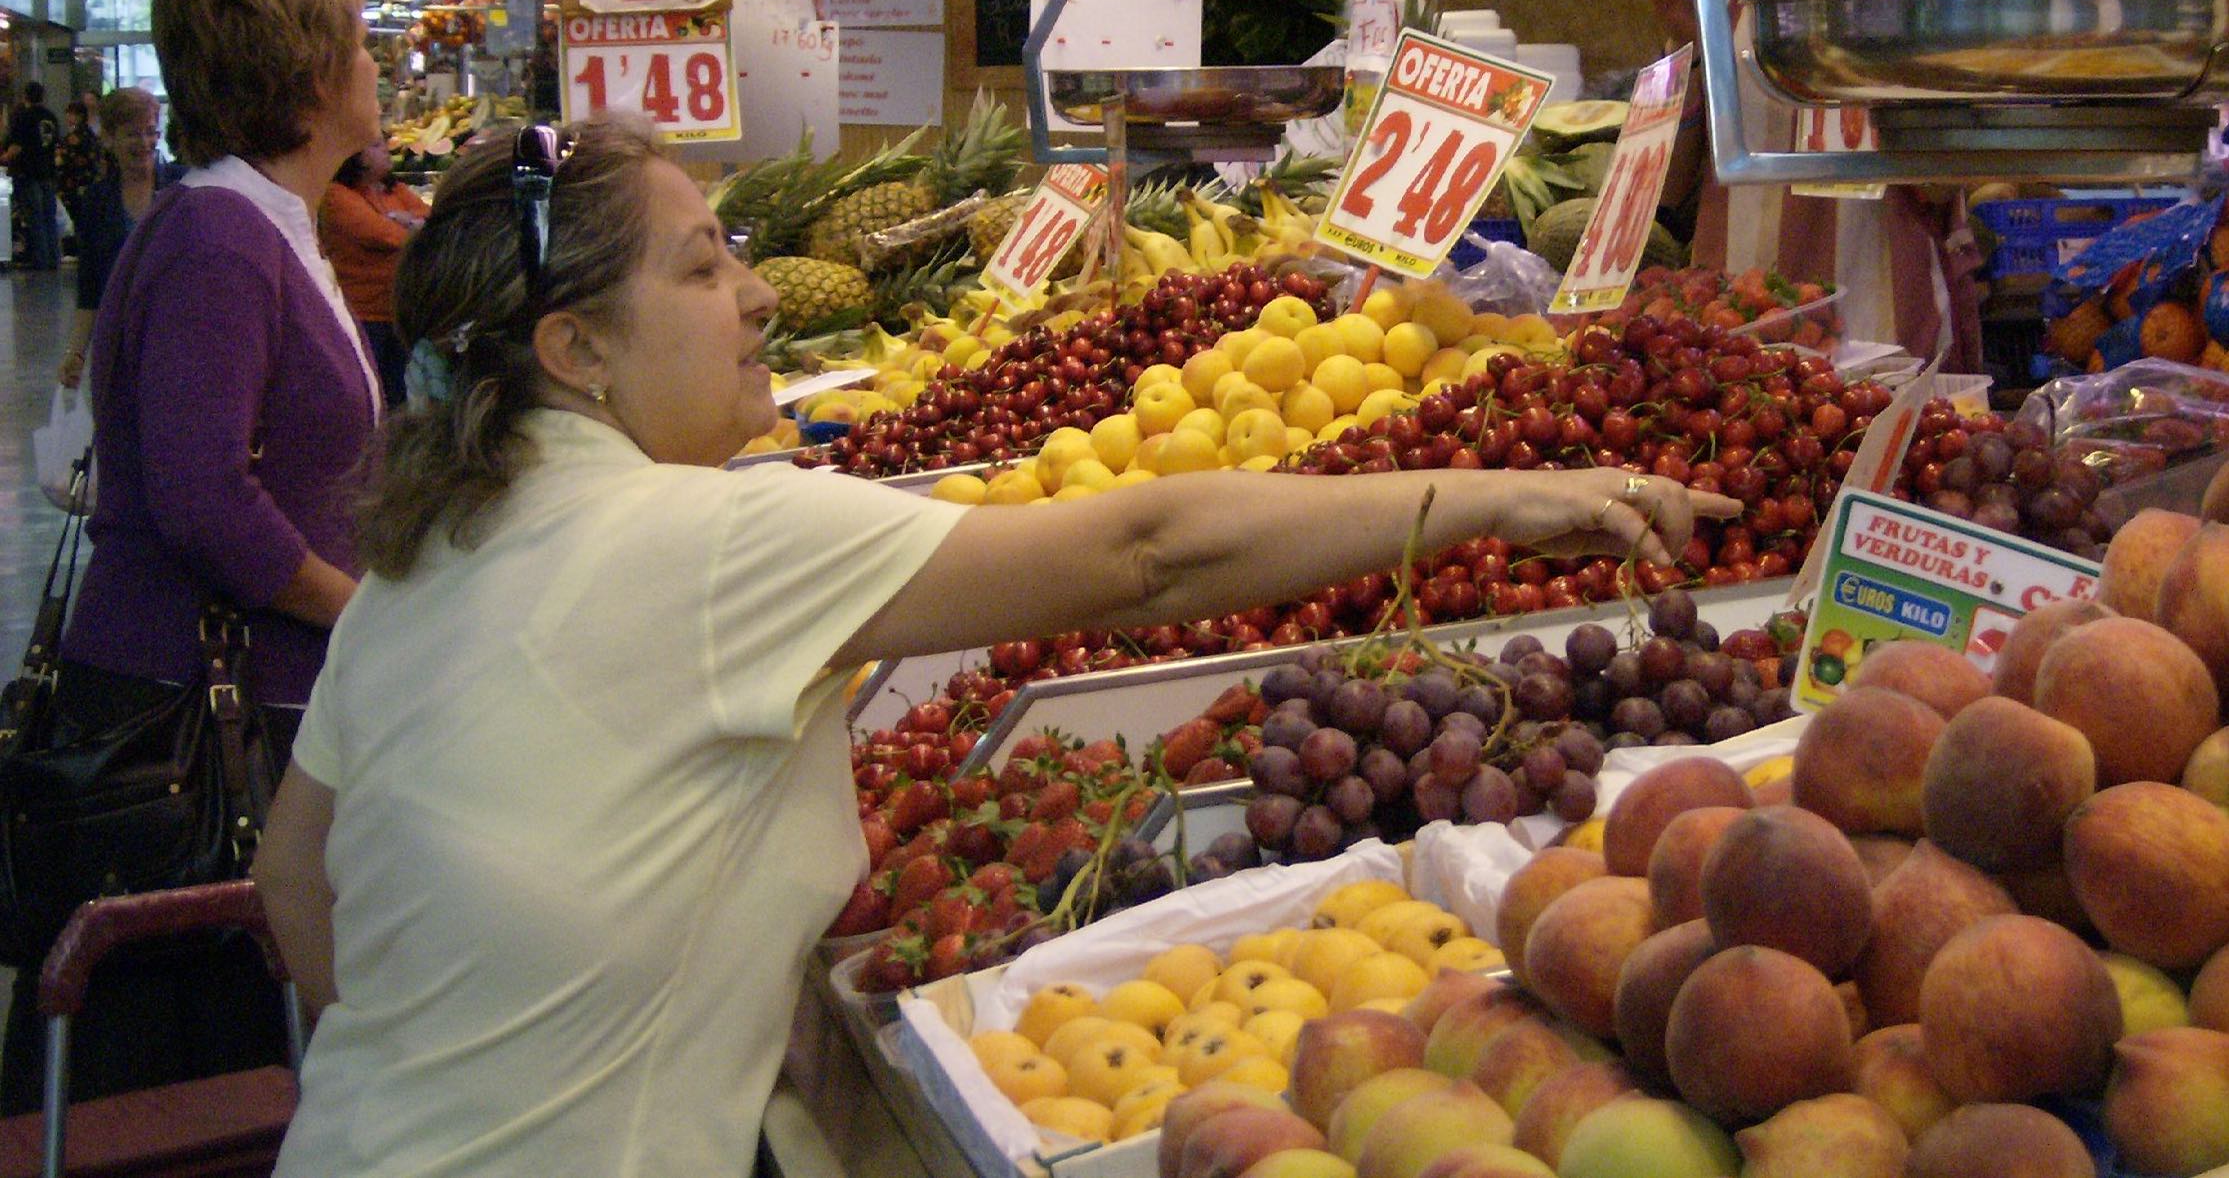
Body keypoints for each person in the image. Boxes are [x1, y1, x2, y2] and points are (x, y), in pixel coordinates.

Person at [251, 116, 1740, 1176]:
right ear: (574, 351)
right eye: (702, 268)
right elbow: (1150, 552)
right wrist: (1517, 497)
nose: (758, 293)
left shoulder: (417, 565)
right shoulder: (702, 546)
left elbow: (293, 893)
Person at [2, 0, 387, 1115]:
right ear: (316, 79)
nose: (379, 69)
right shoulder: (222, 241)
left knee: (215, 1038)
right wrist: (364, 609)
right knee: (187, 1053)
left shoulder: (266, 224)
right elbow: (203, 495)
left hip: (234, 690)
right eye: (364, 45)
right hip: (189, 710)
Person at [1650, 0, 1985, 367]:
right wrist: (1683, 45)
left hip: (1883, 340)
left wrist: (1813, 25)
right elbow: (1671, 191)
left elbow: (1947, 173)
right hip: (1736, 342)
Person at [57, 88, 171, 390]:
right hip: (119, 345)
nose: (145, 143)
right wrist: (77, 353)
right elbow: (91, 285)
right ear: (109, 138)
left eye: (150, 132)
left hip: (175, 338)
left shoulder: (181, 187)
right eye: (133, 134)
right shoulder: (97, 201)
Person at [321, 138, 429, 406]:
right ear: (355, 156)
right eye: (378, 146)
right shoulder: (337, 196)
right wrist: (407, 224)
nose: (388, 151)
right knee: (374, 396)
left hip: (399, 311)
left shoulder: (394, 189)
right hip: (364, 315)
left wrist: (406, 221)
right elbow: (385, 236)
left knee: (402, 394)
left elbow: (434, 219)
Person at [1, 81, 62, 270]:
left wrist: (3, 158)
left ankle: (40, 260)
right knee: (49, 217)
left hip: (28, 172)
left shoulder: (23, 117)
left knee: (35, 218)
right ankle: (54, 258)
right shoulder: (51, 117)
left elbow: (16, 147)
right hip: (48, 171)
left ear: (25, 96)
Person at [55, 97, 104, 263]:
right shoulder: (91, 136)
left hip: (73, 183)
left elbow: (63, 160)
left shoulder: (73, 138)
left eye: (70, 114)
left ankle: (74, 250)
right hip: (89, 182)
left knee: (74, 219)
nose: (68, 118)